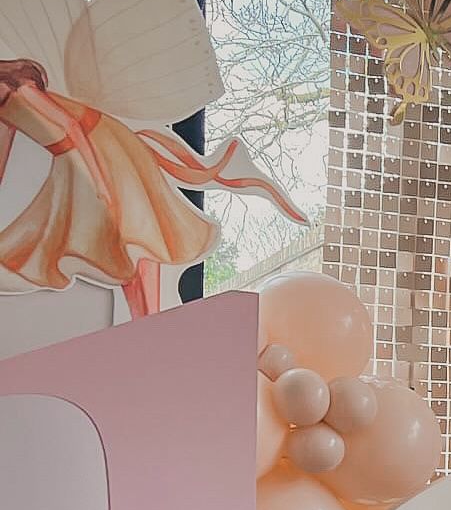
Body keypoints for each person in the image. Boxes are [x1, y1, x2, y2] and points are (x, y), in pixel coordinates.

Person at [0, 57, 304, 317]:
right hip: (77, 159)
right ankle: (144, 327)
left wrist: (100, 183)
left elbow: (70, 128)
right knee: (106, 245)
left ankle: (147, 324)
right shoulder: (5, 99)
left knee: (133, 239)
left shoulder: (17, 88)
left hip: (103, 152)